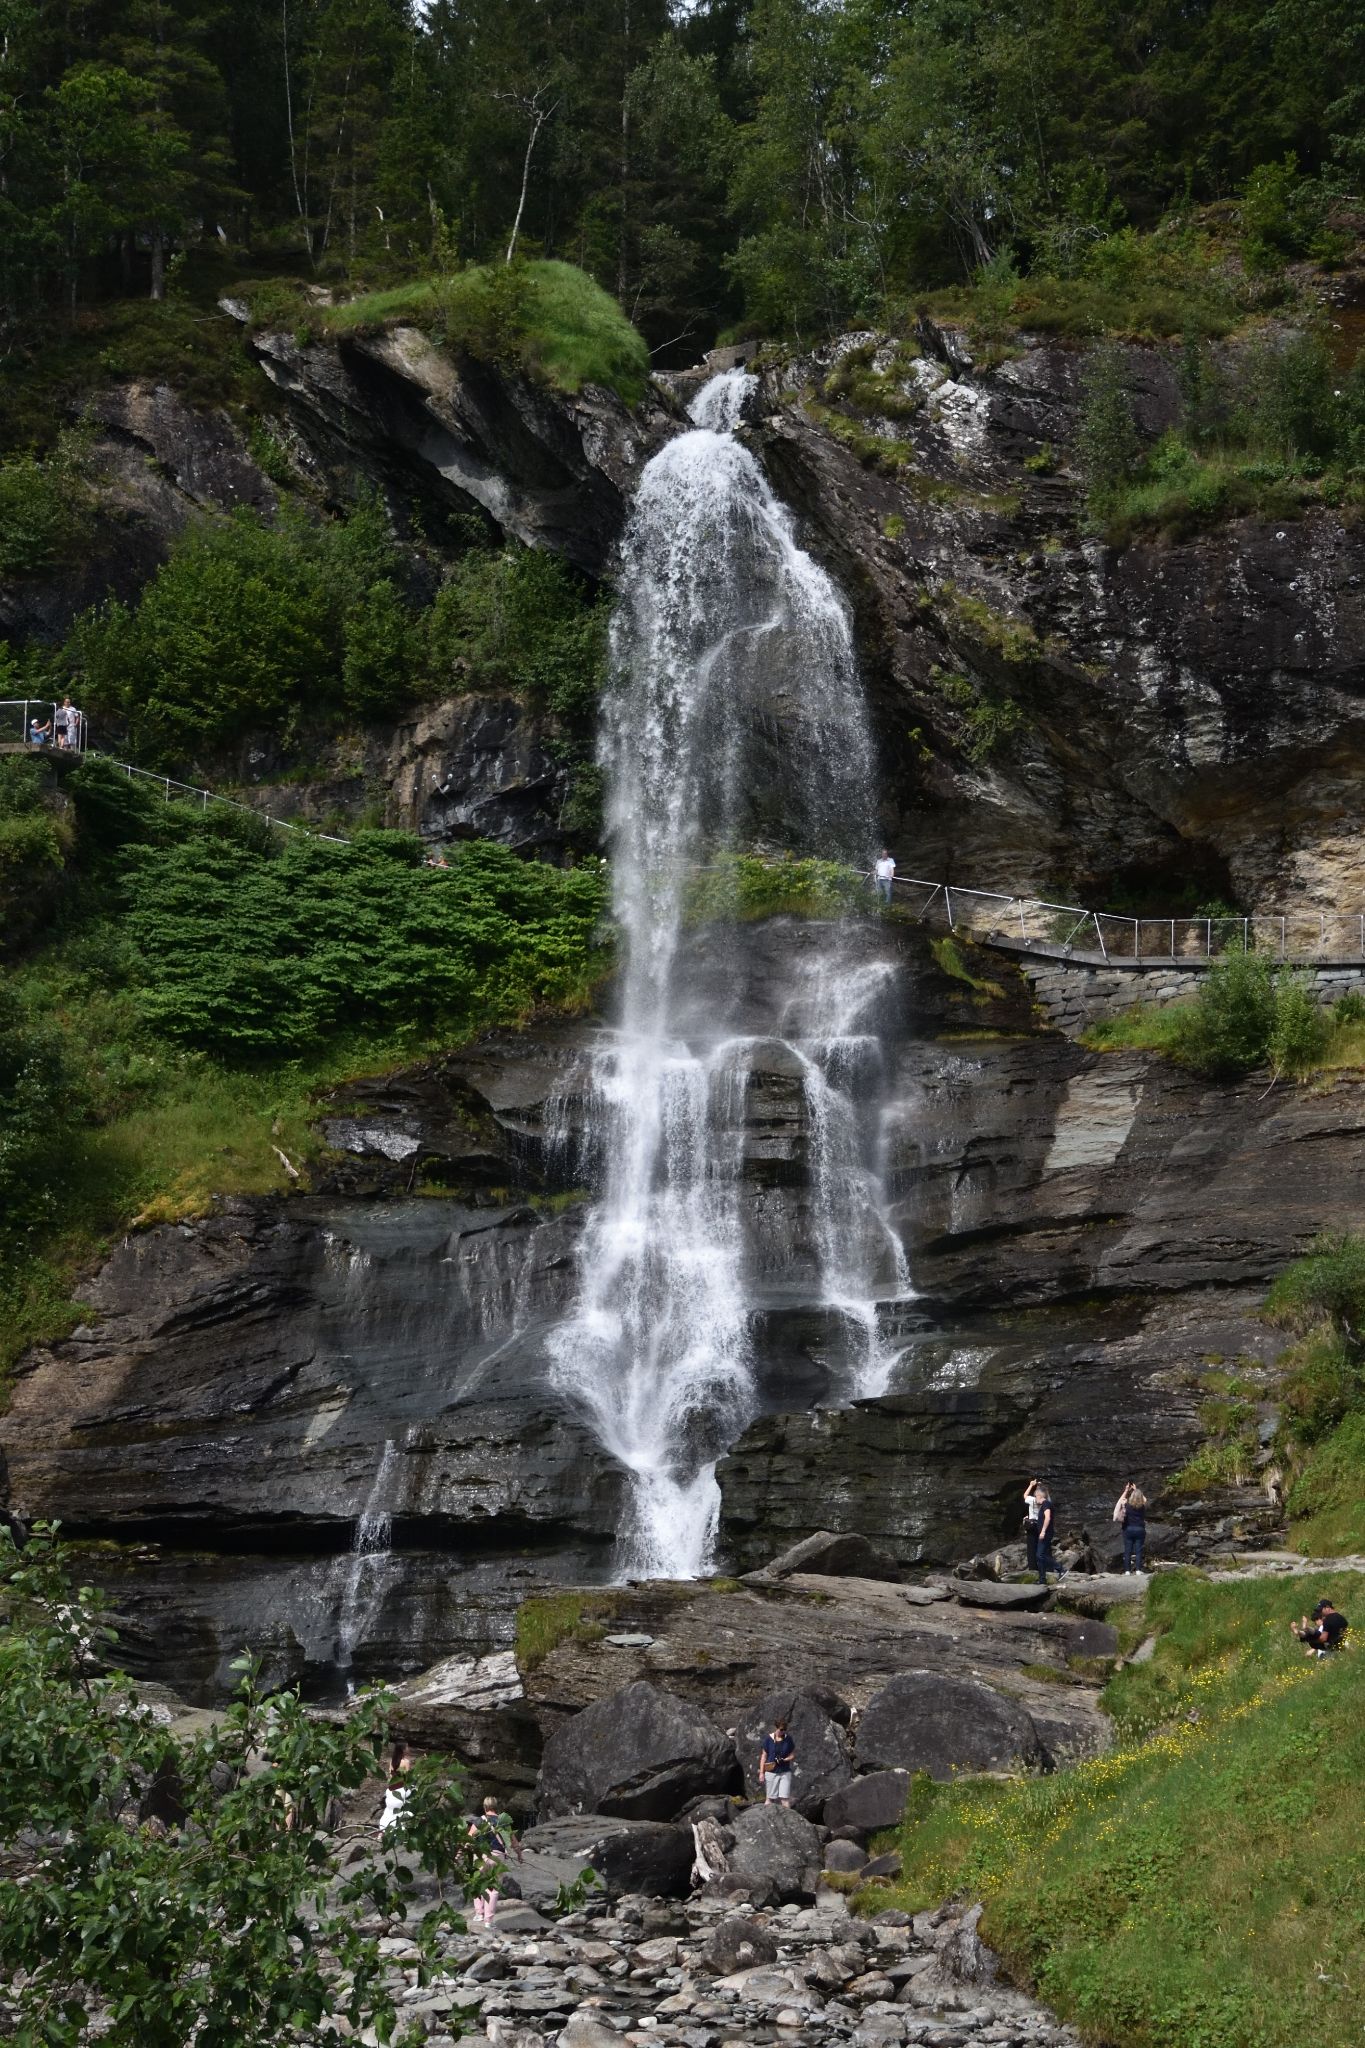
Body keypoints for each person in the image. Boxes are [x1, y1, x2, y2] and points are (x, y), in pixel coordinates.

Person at [467, 1794, 521, 1926]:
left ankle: (479, 1914)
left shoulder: (478, 1821)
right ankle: (488, 1921)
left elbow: (468, 1840)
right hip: (497, 1856)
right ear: (496, 1807)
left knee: (478, 1883)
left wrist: (460, 1852)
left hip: (481, 1856)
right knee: (493, 1888)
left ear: (484, 1807)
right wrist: (520, 1854)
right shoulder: (504, 1822)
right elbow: (514, 1842)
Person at [758, 1719, 797, 1806]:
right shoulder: (768, 1739)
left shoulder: (788, 1739)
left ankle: (788, 1819)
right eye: (781, 1729)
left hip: (785, 1771)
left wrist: (786, 1759)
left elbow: (792, 1754)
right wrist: (761, 1773)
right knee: (769, 1799)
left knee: (785, 1799)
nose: (782, 1732)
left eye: (784, 1730)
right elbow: (763, 1756)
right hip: (771, 1771)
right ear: (776, 1728)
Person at [1113, 1483, 1148, 1574]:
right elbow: (1145, 1499)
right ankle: (1138, 1570)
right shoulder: (1143, 1506)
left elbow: (1119, 1501)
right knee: (1138, 1551)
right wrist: (1136, 1489)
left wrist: (1126, 1491)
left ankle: (1127, 1571)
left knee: (1127, 1551)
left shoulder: (1127, 1505)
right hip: (1140, 1530)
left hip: (1128, 1529)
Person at [378, 1743, 412, 1834]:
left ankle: (383, 1831)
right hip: (401, 1792)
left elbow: (391, 1777)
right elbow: (406, 1778)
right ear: (403, 1749)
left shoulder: (392, 1761)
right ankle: (400, 1832)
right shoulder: (405, 1762)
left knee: (389, 1812)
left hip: (391, 1791)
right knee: (401, 1812)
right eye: (407, 1747)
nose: (408, 1748)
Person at [1035, 1488, 1062, 1586]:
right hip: (1043, 1534)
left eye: (1035, 1496)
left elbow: (1048, 1517)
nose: (1035, 1499)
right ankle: (1042, 1579)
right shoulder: (1044, 1505)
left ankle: (1060, 1568)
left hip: (1045, 1534)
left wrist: (1043, 1531)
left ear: (1039, 1495)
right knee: (1041, 1556)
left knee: (1040, 1555)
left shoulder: (1046, 1504)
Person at [1023, 1479, 1046, 1573]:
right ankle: (1043, 1567)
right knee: (1040, 1547)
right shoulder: (1045, 1502)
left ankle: (1033, 1568)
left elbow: (1025, 1496)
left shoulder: (1032, 1500)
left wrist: (1031, 1485)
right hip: (1040, 1525)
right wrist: (1042, 1486)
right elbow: (1049, 1499)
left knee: (1031, 1548)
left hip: (1031, 1525)